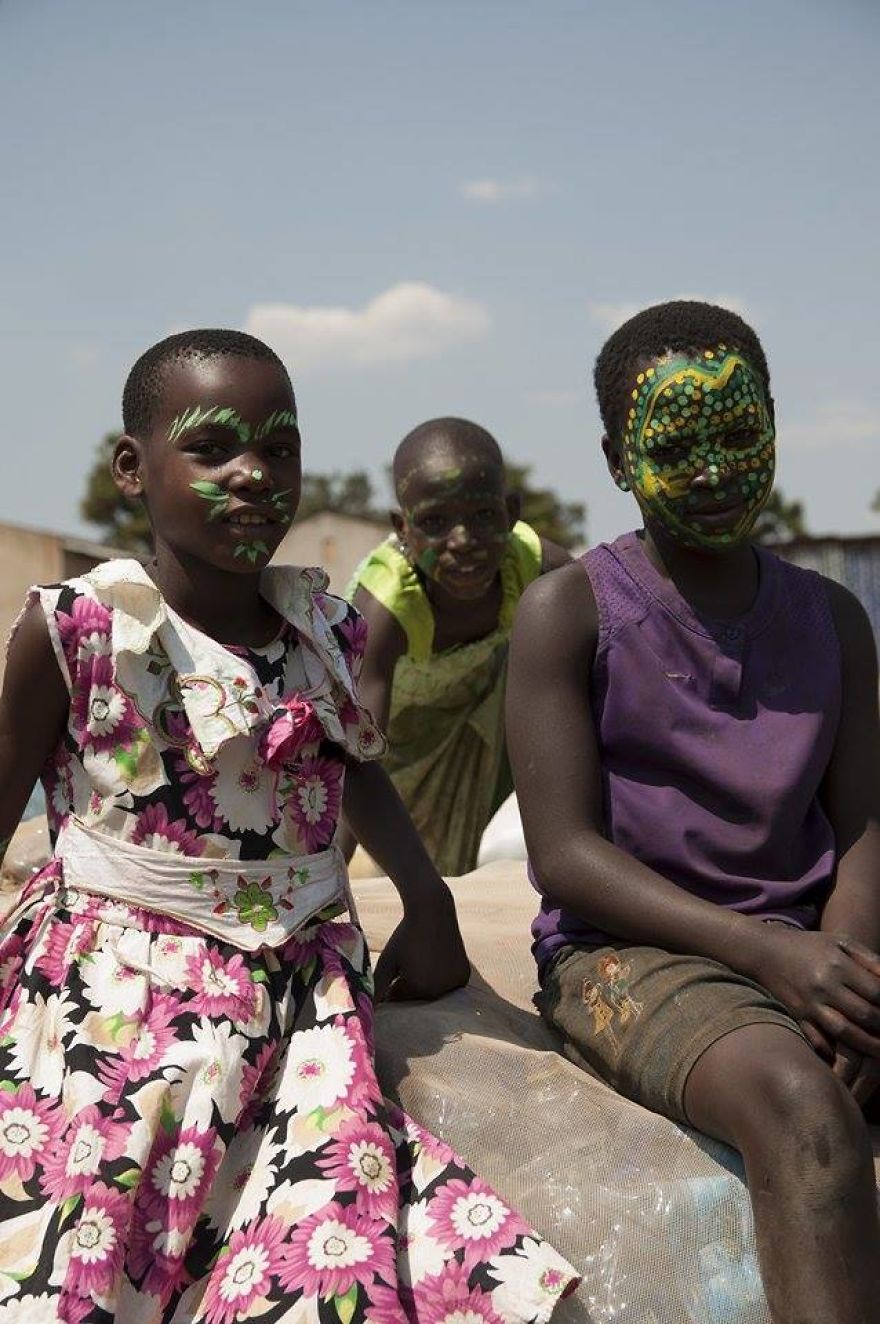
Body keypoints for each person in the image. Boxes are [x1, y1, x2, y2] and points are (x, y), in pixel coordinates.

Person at [0, 330, 578, 1321]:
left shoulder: (324, 628)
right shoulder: (82, 629)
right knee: (83, 1211)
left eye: (279, 448)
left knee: (330, 1233)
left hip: (298, 984)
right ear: (133, 467)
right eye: (213, 447)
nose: (253, 473)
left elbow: (349, 762)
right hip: (112, 982)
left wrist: (427, 897)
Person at [506, 301, 880, 1324]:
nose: (712, 468)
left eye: (737, 433)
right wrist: (771, 956)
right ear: (616, 460)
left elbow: (860, 827)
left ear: (774, 426)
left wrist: (845, 976)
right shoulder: (569, 610)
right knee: (804, 1114)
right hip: (627, 953)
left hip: (805, 944)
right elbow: (565, 856)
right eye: (675, 445)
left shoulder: (834, 618)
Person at [345, 419, 569, 876]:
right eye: (434, 522)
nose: (463, 541)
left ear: (511, 511)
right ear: (402, 529)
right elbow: (357, 750)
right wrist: (324, 889)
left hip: (488, 729)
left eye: (483, 516)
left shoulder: (535, 566)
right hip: (396, 750)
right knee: (397, 862)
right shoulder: (387, 605)